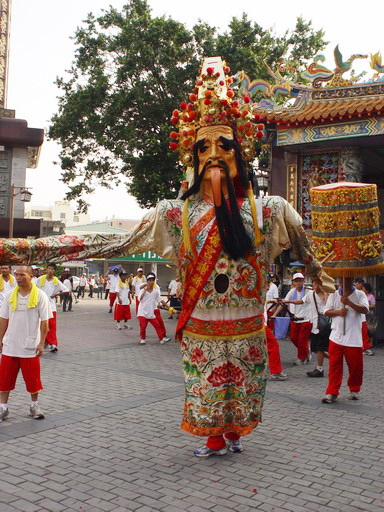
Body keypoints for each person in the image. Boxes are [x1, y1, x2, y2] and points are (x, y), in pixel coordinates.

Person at [0, 57, 330, 457]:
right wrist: (23, 247)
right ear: (192, 157)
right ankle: (213, 438)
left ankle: (234, 433)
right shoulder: (175, 215)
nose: (213, 154)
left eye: (223, 146)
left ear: (239, 153)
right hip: (201, 329)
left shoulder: (270, 210)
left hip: (247, 328)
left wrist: (319, 271)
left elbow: (304, 239)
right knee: (206, 386)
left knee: (242, 388)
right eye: (203, 146)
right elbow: (109, 244)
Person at [0, 265, 51, 421]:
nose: (18, 277)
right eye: (16, 275)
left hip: (30, 346)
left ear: (31, 276)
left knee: (33, 379)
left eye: (22, 274)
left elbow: (45, 323)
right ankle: (3, 407)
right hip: (10, 345)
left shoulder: (40, 296)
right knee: (4, 379)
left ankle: (34, 406)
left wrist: (41, 343)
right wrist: (0, 339)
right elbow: (3, 319)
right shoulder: (9, 295)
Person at [321, 277, 369, 403]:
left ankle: (354, 390)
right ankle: (332, 392)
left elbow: (365, 309)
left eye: (345, 281)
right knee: (334, 366)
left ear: (351, 281)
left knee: (355, 367)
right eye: (341, 281)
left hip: (353, 337)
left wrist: (349, 303)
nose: (342, 284)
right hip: (336, 336)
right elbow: (326, 311)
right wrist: (338, 312)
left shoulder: (360, 294)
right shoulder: (334, 294)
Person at [282, 278, 330, 377]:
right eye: (315, 284)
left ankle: (319, 368)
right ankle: (333, 359)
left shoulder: (328, 294)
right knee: (314, 348)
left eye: (319, 285)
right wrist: (287, 301)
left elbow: (329, 305)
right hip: (315, 324)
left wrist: (326, 294)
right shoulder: (310, 294)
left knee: (320, 348)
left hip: (324, 324)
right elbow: (301, 301)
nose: (316, 287)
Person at [273, 273, 312, 365]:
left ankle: (301, 358)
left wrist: (287, 301)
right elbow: (284, 304)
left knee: (302, 339)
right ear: (293, 282)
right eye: (296, 281)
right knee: (294, 338)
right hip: (295, 318)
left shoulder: (308, 291)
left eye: (300, 281)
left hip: (307, 319)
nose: (299, 283)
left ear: (304, 281)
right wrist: (275, 314)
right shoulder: (291, 292)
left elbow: (300, 302)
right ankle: (306, 351)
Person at [37, 263, 69, 352]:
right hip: (40, 306)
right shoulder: (40, 279)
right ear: (46, 269)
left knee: (52, 325)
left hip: (51, 306)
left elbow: (66, 290)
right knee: (42, 325)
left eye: (52, 269)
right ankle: (45, 342)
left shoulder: (56, 281)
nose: (50, 270)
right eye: (49, 268)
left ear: (54, 271)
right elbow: (32, 287)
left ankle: (53, 343)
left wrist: (56, 294)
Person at [137, 272, 170, 345]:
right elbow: (140, 299)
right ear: (147, 281)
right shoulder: (142, 290)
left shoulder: (155, 292)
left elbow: (161, 300)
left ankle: (161, 339)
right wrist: (144, 291)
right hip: (142, 312)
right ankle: (142, 339)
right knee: (143, 326)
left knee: (157, 325)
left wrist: (169, 307)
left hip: (151, 313)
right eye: (150, 280)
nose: (151, 282)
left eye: (153, 280)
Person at [265, 277, 287, 381]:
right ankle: (275, 371)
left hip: (260, 323)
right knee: (273, 345)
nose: (267, 287)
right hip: (258, 324)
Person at [362, 282, 376, 355]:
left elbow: (373, 306)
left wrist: (365, 306)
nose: (362, 289)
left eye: (363, 288)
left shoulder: (371, 296)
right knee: (364, 332)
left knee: (370, 331)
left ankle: (369, 345)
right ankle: (364, 347)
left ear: (367, 290)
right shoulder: (361, 295)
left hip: (369, 316)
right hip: (363, 316)